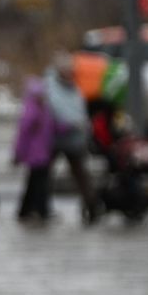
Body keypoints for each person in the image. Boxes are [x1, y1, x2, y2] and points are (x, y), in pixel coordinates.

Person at [45, 54, 97, 217]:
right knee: (44, 173)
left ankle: (92, 206)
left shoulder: (73, 86)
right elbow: (55, 108)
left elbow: (79, 108)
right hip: (55, 137)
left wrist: (82, 126)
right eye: (67, 70)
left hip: (73, 138)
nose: (70, 73)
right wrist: (72, 122)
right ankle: (41, 206)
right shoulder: (51, 86)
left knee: (81, 173)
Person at [12, 75, 57, 223]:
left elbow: (53, 127)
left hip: (43, 153)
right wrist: (18, 153)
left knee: (33, 183)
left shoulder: (44, 110)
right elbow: (23, 135)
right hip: (35, 154)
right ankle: (41, 210)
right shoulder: (33, 111)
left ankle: (26, 210)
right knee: (39, 184)